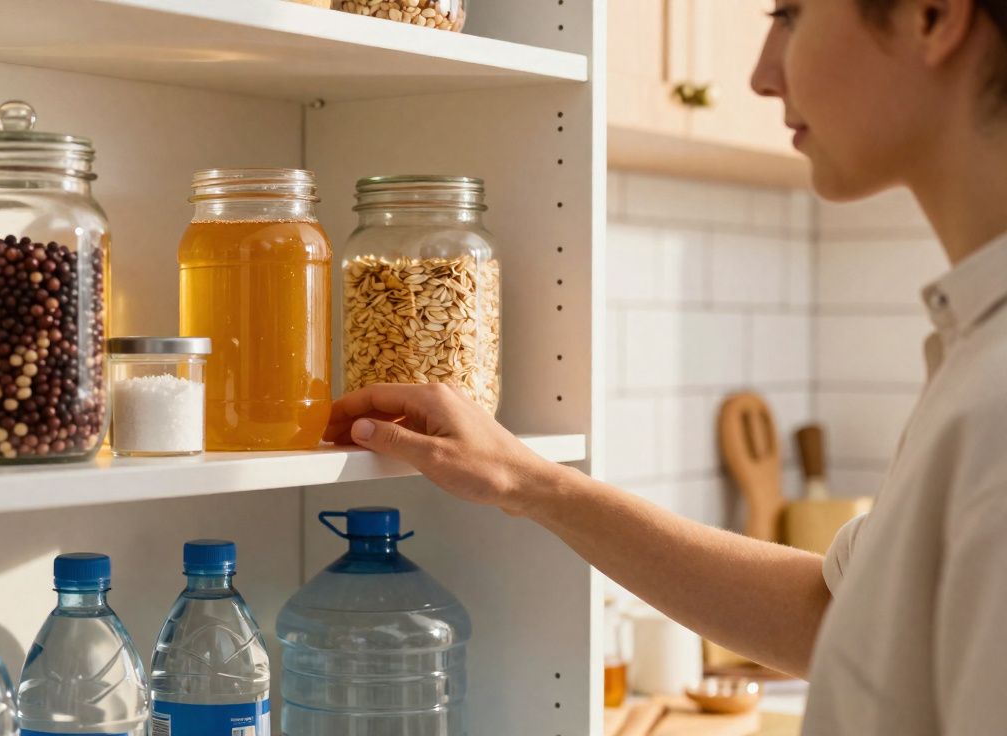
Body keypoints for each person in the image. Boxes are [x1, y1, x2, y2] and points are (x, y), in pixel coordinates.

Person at [323, 1, 1007, 733]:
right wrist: (526, 481)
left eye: (792, 14)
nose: (760, 74)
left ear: (933, 16)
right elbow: (840, 618)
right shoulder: (972, 355)